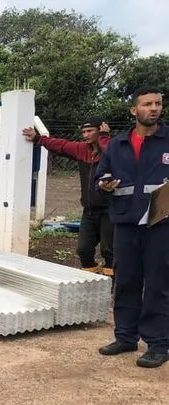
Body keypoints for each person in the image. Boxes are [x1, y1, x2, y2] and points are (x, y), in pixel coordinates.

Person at [95, 86, 169, 368]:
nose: (154, 108)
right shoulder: (118, 144)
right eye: (147, 104)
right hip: (125, 222)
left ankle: (159, 343)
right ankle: (125, 336)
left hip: (160, 225)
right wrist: (104, 183)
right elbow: (101, 176)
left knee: (158, 284)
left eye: (158, 104)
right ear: (134, 110)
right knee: (125, 281)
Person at [23, 117, 114, 275]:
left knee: (109, 250)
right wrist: (38, 138)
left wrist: (104, 139)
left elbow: (112, 155)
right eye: (84, 132)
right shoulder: (81, 149)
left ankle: (113, 284)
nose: (85, 135)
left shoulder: (113, 148)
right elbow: (61, 145)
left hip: (110, 210)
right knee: (83, 249)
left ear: (101, 130)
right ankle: (92, 277)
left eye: (90, 131)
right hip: (89, 211)